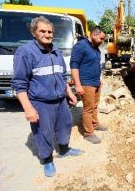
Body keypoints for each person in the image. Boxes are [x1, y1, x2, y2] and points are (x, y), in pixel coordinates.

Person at [11, 16, 82, 177]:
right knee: (44, 131)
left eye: (50, 31)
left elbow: (62, 75)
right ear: (33, 32)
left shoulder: (55, 50)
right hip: (40, 102)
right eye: (42, 31)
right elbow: (19, 83)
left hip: (60, 100)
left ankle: (64, 150)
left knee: (66, 124)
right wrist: (28, 108)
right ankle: (47, 159)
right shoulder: (25, 52)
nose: (47, 34)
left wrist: (69, 93)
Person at [70, 26, 107, 144]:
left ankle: (95, 124)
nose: (102, 41)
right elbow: (74, 66)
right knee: (88, 108)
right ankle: (88, 133)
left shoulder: (95, 48)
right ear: (94, 35)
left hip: (96, 82)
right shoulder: (81, 46)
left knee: (95, 106)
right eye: (101, 38)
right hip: (86, 83)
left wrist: (99, 80)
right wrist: (78, 85)